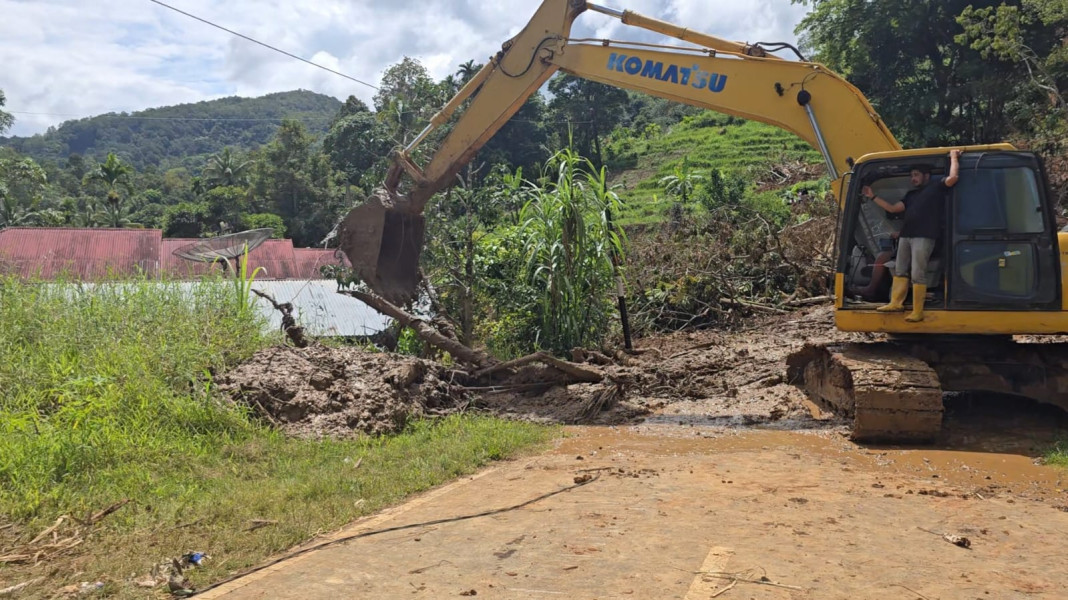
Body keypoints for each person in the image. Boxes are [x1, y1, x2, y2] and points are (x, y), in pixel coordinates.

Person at [861, 149, 962, 322]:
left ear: (926, 176)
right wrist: (873, 197)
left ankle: (917, 311)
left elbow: (953, 178)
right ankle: (896, 303)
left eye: (916, 175)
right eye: (911, 175)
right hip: (906, 236)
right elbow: (893, 209)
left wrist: (953, 157)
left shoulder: (936, 187)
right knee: (900, 270)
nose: (912, 178)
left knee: (917, 273)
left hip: (924, 236)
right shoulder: (911, 195)